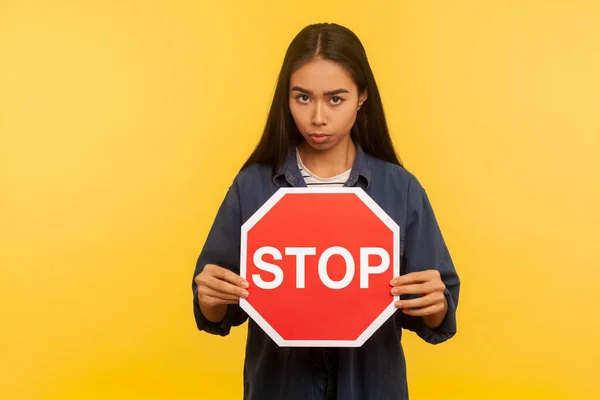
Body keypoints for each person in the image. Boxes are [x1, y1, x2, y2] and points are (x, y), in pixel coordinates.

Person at [192, 22, 460, 400]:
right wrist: (209, 300)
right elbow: (216, 311)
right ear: (286, 98)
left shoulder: (401, 190)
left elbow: (437, 318)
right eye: (303, 98)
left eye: (336, 99)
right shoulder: (251, 187)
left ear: (362, 97)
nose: (318, 117)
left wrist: (435, 305)